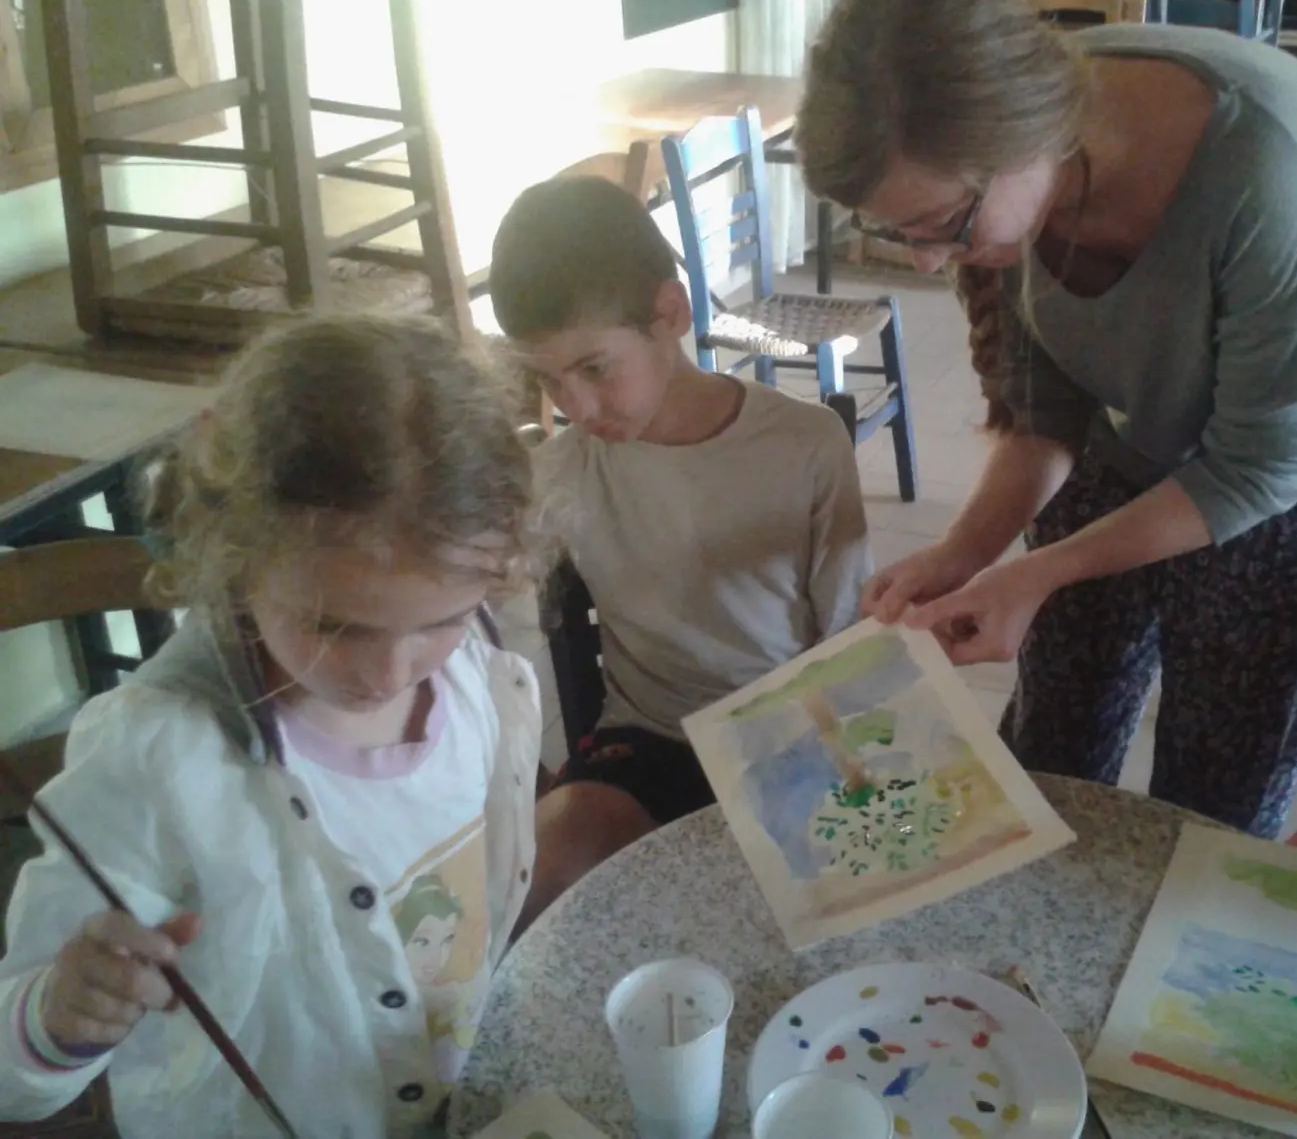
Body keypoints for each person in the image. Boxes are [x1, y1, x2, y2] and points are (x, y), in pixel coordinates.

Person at [794, 0, 1297, 836]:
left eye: (942, 225)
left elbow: (1259, 466)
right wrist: (966, 553)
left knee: (1219, 784)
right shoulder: (1001, 163)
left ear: (1026, 145)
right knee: (1055, 734)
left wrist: (1039, 571)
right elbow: (1044, 415)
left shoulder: (1260, 165)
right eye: (899, 230)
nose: (928, 261)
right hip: (1134, 426)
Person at [0, 316, 546, 1138]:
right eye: (335, 627)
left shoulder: (477, 674)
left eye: (442, 620)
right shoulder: (159, 758)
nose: (390, 673)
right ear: (237, 551)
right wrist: (60, 1016)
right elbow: (14, 1077)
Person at [489, 175, 872, 918]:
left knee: (876, 886)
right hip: (649, 742)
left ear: (669, 313)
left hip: (797, 734)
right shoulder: (557, 473)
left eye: (594, 368)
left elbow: (848, 634)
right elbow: (471, 603)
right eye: (548, 380)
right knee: (538, 882)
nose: (575, 407)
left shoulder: (805, 444)